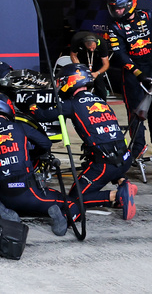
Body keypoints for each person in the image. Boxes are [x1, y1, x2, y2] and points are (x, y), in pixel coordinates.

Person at [0, 93, 72, 235]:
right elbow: (46, 143)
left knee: (9, 195)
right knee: (70, 202)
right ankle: (56, 213)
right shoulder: (19, 127)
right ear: (8, 108)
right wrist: (30, 153)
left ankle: (7, 210)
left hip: (5, 195)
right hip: (31, 193)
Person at [55, 64, 137, 218]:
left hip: (105, 164)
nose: (61, 85)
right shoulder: (101, 100)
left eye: (62, 82)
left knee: (74, 198)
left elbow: (44, 114)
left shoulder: (71, 104)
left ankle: (116, 196)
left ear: (71, 81)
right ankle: (122, 182)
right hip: (124, 158)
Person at [105, 0, 152, 157]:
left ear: (129, 5)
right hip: (132, 72)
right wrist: (138, 74)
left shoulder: (146, 15)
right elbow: (120, 54)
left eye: (119, 8)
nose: (116, 11)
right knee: (136, 110)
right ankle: (137, 146)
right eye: (114, 8)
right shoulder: (114, 27)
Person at [69, 31, 112, 99]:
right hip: (82, 57)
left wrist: (97, 73)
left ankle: (102, 103)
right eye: (89, 48)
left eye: (93, 47)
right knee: (80, 81)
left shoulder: (102, 43)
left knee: (99, 83)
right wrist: (81, 69)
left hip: (96, 60)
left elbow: (106, 64)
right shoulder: (77, 39)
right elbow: (73, 55)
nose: (91, 49)